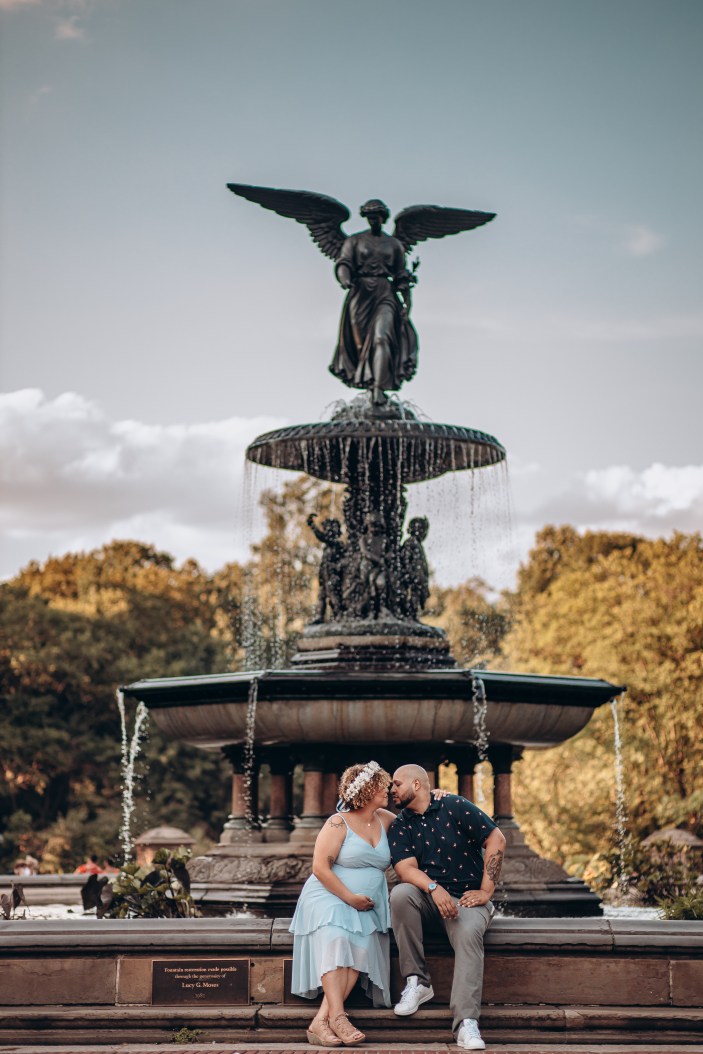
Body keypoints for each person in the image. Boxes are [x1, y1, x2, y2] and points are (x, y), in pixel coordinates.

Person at [289, 762, 448, 1046]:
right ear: (366, 789)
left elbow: (421, 814)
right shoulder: (337, 823)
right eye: (382, 785)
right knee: (338, 941)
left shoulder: (387, 819)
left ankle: (319, 1022)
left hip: (367, 903)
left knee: (359, 953)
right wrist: (349, 897)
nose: (388, 790)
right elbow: (320, 868)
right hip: (330, 896)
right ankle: (338, 1017)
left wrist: (435, 794)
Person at [388, 765, 507, 1051]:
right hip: (429, 900)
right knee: (401, 894)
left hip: (468, 899)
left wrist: (486, 891)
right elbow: (405, 869)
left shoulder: (453, 805)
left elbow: (496, 839)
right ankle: (417, 981)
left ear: (416, 785)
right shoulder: (400, 824)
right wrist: (433, 888)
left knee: (467, 934)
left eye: (396, 784)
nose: (392, 790)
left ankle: (466, 1023)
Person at [330, 199, 418, 407]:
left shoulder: (394, 245)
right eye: (369, 217)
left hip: (384, 293)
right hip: (359, 294)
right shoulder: (354, 241)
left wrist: (407, 303)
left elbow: (400, 275)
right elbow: (343, 262)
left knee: (381, 338)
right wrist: (345, 278)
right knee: (361, 347)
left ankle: (378, 387)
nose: (373, 220)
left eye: (377, 216)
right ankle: (369, 382)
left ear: (383, 218)